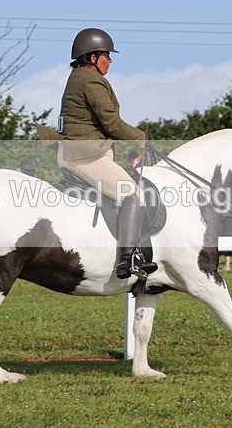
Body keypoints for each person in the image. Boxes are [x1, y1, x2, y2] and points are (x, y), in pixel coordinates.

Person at [53, 28, 157, 279]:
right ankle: (128, 259)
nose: (110, 60)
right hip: (84, 156)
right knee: (134, 195)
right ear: (92, 57)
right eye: (106, 55)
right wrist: (141, 139)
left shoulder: (79, 77)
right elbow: (111, 123)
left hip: (77, 153)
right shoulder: (91, 80)